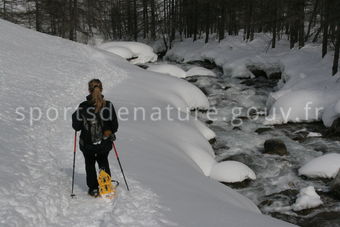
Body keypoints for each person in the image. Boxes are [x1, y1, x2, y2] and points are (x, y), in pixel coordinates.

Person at [72, 79, 118, 197]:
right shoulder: (108, 105)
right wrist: (109, 131)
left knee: (90, 163)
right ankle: (106, 185)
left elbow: (76, 127)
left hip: (87, 144)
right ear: (101, 89)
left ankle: (93, 189)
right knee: (103, 160)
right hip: (104, 142)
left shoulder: (83, 106)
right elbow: (114, 126)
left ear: (89, 90)